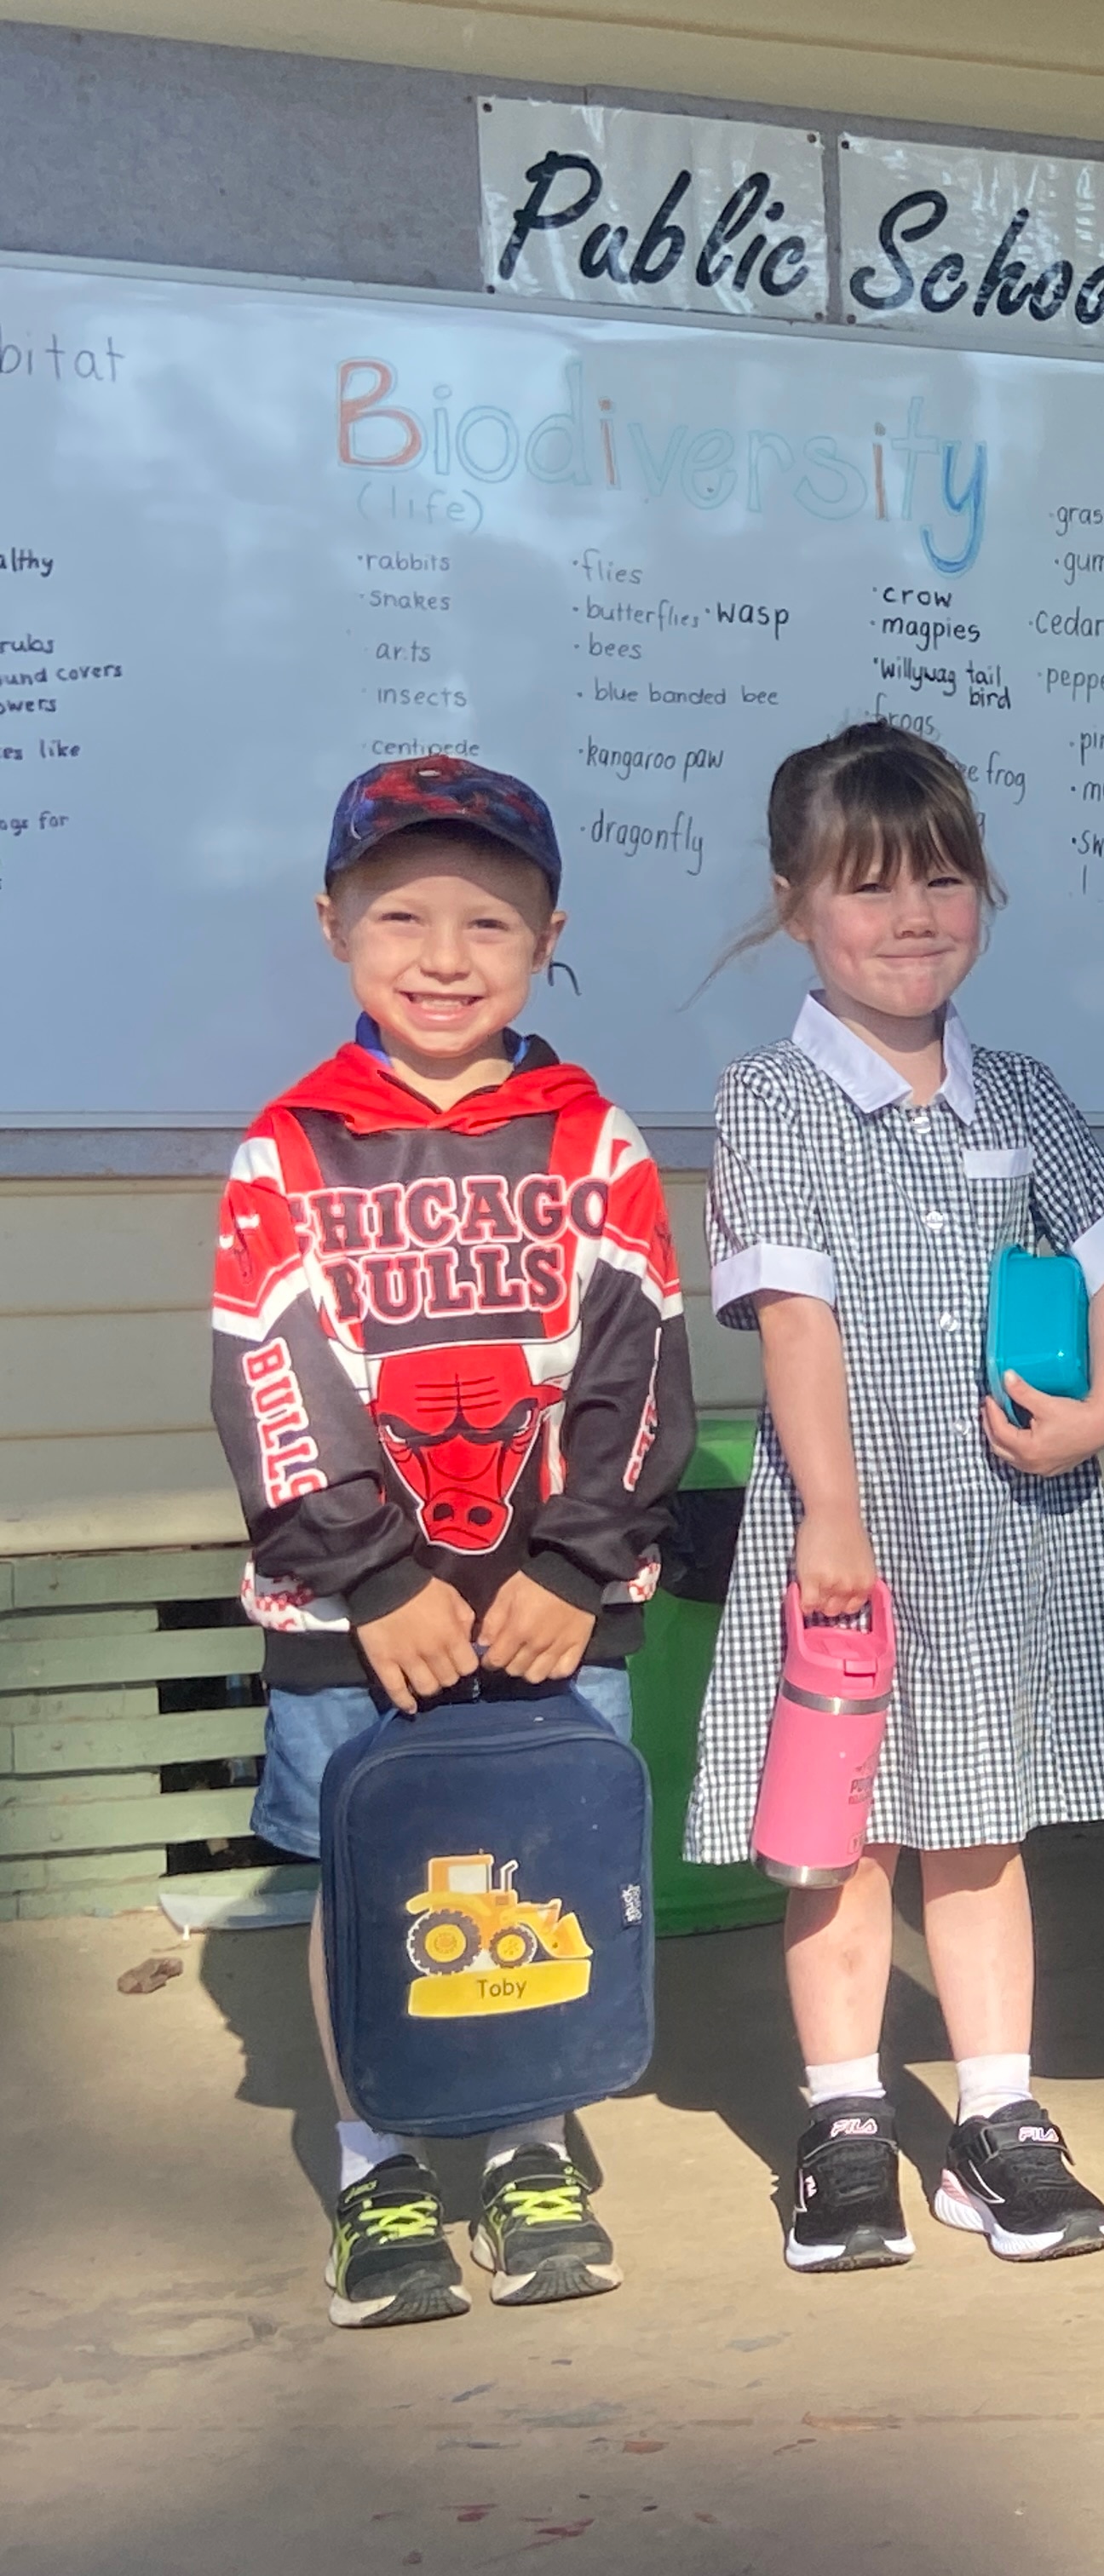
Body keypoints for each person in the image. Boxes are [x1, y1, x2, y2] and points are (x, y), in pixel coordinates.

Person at [211, 755, 694, 2326]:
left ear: (548, 934)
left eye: (487, 919)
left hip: (552, 1607)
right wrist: (374, 1578)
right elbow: (273, 1380)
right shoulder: (289, 1147)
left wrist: (569, 1564)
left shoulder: (590, 1139)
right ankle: (378, 2166)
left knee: (540, 1864)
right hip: (357, 1615)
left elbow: (639, 1359)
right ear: (331, 923)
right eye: (399, 913)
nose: (441, 952)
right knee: (372, 1879)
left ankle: (531, 2144)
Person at [689, 722, 1104, 2268]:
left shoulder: (1020, 1090)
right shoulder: (768, 1099)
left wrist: (1096, 1407)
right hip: (852, 1537)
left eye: (944, 879)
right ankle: (841, 2120)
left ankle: (996, 2119)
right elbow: (795, 1323)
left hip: (1005, 1534)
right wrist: (831, 1513)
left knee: (980, 1828)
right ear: (792, 905)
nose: (912, 917)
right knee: (839, 1840)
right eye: (868, 887)